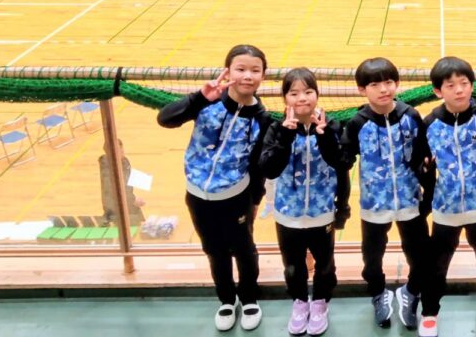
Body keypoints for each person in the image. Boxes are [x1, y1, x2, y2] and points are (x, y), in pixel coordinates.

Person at [156, 45, 272, 331]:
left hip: (236, 196)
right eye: (240, 69)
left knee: (244, 249)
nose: (247, 76)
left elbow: (257, 166)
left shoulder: (261, 117)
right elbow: (165, 119)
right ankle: (226, 300)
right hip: (197, 196)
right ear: (228, 72)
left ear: (263, 76)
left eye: (255, 70)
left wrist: (255, 200)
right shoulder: (208, 102)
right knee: (214, 250)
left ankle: (249, 298)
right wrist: (198, 97)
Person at [414, 57, 476, 337]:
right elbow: (420, 165)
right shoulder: (430, 123)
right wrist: (425, 170)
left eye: (464, 83)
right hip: (446, 208)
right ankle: (430, 313)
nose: (459, 90)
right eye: (451, 85)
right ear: (438, 91)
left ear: (472, 85)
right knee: (438, 264)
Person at [340, 58, 431, 331]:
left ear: (397, 84)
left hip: (410, 200)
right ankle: (378, 294)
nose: (383, 89)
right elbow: (343, 160)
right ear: (361, 89)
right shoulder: (357, 123)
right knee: (372, 257)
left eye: (389, 82)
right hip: (374, 204)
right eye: (375, 84)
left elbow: (423, 156)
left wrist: (428, 193)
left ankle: (411, 293)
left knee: (420, 255)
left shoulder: (411, 116)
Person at [259, 68, 349, 336]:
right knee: (293, 265)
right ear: (285, 98)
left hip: (323, 212)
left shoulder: (332, 126)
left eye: (308, 91)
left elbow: (343, 165)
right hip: (287, 214)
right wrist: (285, 138)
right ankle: (299, 302)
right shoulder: (276, 128)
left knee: (325, 264)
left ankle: (320, 302)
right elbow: (269, 169)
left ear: (317, 94)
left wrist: (325, 138)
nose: (302, 98)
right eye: (294, 93)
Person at [98, 144, 146, 226]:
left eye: (122, 150)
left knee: (140, 224)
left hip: (128, 202)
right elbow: (113, 190)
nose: (122, 152)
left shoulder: (124, 161)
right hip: (116, 207)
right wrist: (133, 200)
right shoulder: (107, 169)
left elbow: (126, 180)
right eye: (119, 151)